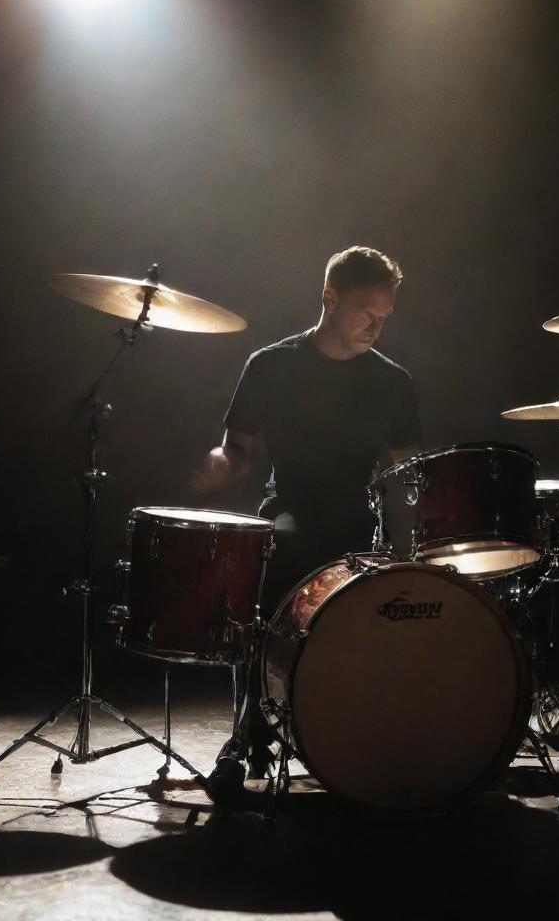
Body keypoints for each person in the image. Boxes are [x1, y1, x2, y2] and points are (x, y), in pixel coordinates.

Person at [191, 246, 422, 791]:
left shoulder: (393, 382)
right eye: (367, 311)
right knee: (266, 573)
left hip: (359, 527)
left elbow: (408, 474)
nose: (376, 324)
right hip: (289, 513)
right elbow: (238, 448)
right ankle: (246, 736)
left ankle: (356, 732)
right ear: (329, 298)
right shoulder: (271, 365)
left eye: (385, 316)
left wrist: (412, 546)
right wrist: (222, 464)